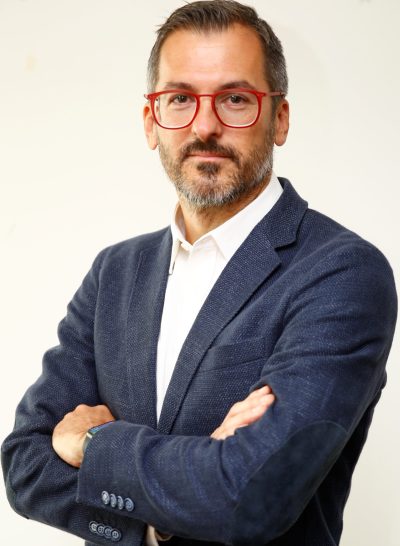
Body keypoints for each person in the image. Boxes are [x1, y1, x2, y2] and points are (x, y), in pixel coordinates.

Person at [1, 1, 397, 545]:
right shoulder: (114, 273)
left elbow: (252, 497)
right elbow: (24, 464)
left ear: (280, 118)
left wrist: (95, 445)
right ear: (151, 122)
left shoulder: (341, 274)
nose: (205, 126)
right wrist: (160, 515)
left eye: (235, 99)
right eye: (180, 99)